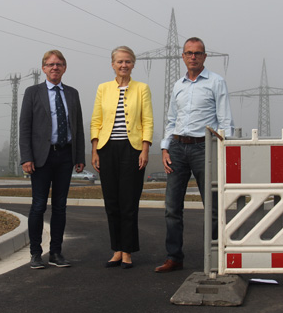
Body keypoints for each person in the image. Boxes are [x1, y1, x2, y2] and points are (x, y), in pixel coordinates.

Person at [155, 37, 234, 273]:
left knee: (211, 206)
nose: (193, 57)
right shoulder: (178, 85)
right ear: (182, 56)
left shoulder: (216, 82)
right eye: (189, 53)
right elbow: (171, 119)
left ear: (205, 57)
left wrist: (224, 150)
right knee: (172, 207)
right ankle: (174, 257)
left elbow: (225, 120)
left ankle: (216, 256)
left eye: (197, 53)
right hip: (178, 148)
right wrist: (165, 147)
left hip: (204, 148)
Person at [19, 49, 85, 269]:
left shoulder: (72, 93)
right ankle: (36, 253)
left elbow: (78, 127)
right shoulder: (32, 92)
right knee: (38, 206)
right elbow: (25, 127)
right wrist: (26, 157)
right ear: (43, 68)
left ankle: (56, 253)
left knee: (60, 206)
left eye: (59, 64)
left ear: (64, 68)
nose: (54, 68)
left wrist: (79, 156)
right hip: (40, 158)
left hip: (65, 156)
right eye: (50, 64)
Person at [90, 46, 153, 269]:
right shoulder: (103, 88)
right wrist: (95, 149)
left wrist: (145, 149)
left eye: (127, 61)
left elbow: (147, 121)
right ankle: (116, 249)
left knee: (129, 202)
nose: (123, 65)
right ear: (112, 64)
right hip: (107, 149)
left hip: (132, 149)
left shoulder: (142, 88)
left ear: (133, 64)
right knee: (112, 202)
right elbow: (96, 120)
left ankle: (128, 251)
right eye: (119, 62)